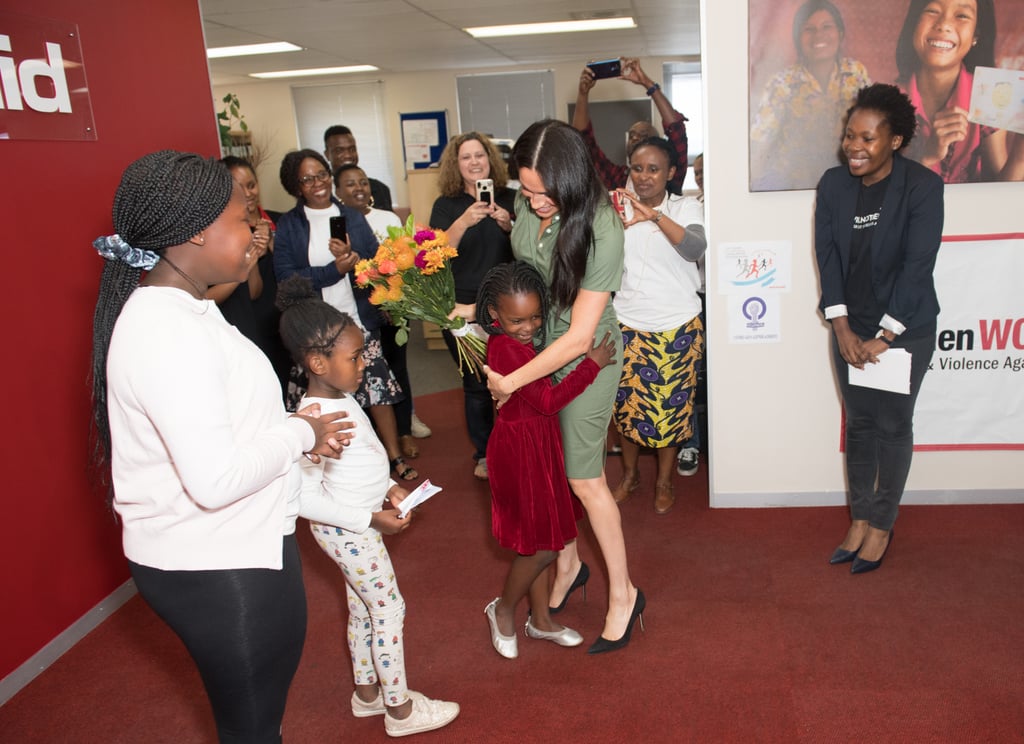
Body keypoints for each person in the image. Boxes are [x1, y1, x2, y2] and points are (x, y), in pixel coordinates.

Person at [89, 150, 349, 743]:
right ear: (197, 232)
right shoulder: (167, 331)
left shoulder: (187, 308)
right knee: (252, 728)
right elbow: (214, 479)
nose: (256, 231)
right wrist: (300, 432)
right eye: (243, 220)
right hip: (218, 560)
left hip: (235, 546)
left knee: (259, 721)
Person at [454, 119, 643, 654]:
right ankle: (570, 564)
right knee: (552, 470)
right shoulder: (529, 203)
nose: (532, 201)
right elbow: (527, 278)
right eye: (526, 189)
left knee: (584, 479)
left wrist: (511, 379)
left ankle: (624, 595)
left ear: (570, 180)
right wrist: (475, 310)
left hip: (586, 356)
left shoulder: (603, 225)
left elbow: (580, 334)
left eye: (543, 192)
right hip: (537, 345)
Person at [275, 276, 460, 737]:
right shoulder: (315, 419)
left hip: (357, 520)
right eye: (354, 358)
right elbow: (307, 497)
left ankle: (367, 694)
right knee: (389, 612)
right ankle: (400, 712)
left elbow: (357, 465)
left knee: (362, 609)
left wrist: (389, 489)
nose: (363, 363)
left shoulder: (338, 395)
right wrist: (370, 519)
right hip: (348, 530)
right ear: (318, 362)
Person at [815, 83, 943, 574]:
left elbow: (917, 267)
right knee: (860, 423)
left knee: (892, 426)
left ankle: (882, 523)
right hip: (850, 325)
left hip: (904, 329)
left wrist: (884, 338)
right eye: (850, 136)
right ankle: (859, 517)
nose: (855, 147)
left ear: (895, 140)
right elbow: (827, 258)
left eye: (868, 138)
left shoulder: (922, 187)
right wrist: (843, 329)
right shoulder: (833, 185)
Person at [475, 262, 615, 658]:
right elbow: (549, 401)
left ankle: (540, 620)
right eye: (517, 319)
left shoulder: (518, 343)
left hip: (538, 444)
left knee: (535, 542)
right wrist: (592, 365)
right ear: (494, 315)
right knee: (544, 548)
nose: (529, 326)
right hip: (519, 452)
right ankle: (502, 609)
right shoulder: (504, 347)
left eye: (536, 317)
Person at [274, 149, 418, 482]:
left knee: (376, 391)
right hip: (314, 329)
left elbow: (378, 264)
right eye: (307, 179)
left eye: (322, 175)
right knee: (321, 398)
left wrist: (353, 262)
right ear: (296, 186)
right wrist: (331, 270)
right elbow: (286, 279)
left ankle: (393, 457)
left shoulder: (352, 217)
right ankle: (321, 465)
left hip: (358, 321)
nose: (318, 184)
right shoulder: (290, 224)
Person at [610, 137, 706, 515]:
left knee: (671, 411)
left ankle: (664, 480)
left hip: (677, 326)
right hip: (627, 324)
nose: (644, 177)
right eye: (637, 168)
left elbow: (695, 248)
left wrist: (654, 216)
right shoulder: (614, 210)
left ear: (670, 173)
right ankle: (631, 474)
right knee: (626, 409)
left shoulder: (686, 206)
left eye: (653, 169)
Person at [429, 132, 515, 480]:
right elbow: (434, 254)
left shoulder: (510, 196)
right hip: (459, 305)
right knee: (476, 383)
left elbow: (528, 245)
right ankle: (484, 452)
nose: (475, 162)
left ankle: (512, 445)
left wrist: (507, 223)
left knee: (512, 376)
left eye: (480, 155)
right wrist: (464, 220)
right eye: (466, 157)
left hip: (506, 301)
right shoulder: (446, 205)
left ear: (490, 159)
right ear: (456, 164)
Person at [334, 162, 426, 460]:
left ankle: (403, 431)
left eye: (363, 182)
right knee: (361, 376)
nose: (358, 188)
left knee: (397, 370)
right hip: (358, 313)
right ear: (337, 191)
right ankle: (371, 439)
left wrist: (397, 300)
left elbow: (405, 260)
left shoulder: (387, 218)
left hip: (392, 308)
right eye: (350, 184)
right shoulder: (336, 224)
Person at [895, 0, 1024, 183]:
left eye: (962, 15)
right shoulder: (885, 103)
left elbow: (997, 189)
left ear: (975, 35)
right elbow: (882, 199)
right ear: (914, 24)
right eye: (932, 11)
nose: (944, 25)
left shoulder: (991, 94)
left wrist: (1020, 154)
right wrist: (927, 156)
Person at [750, 0, 871, 190]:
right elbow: (760, 142)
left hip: (849, 183)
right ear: (797, 38)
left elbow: (871, 129)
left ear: (840, 34)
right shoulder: (781, 83)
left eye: (826, 27)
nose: (818, 36)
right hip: (792, 186)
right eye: (809, 29)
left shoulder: (856, 73)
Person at [207, 156, 291, 399]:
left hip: (274, 325)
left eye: (251, 185)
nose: (248, 193)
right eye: (239, 186)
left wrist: (257, 252)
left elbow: (255, 289)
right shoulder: (216, 235)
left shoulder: (275, 222)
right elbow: (203, 298)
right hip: (235, 331)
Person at [572, 57, 689, 193]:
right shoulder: (619, 179)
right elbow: (583, 140)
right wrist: (582, 93)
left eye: (643, 136)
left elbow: (676, 129)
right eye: (632, 135)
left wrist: (647, 83)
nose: (635, 139)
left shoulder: (670, 176)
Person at [677, 152, 706, 478]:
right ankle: (691, 443)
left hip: (724, 299)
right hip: (693, 297)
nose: (699, 176)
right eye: (696, 172)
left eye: (704, 171)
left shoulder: (725, 205)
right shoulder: (689, 207)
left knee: (712, 378)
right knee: (691, 377)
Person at [324, 125, 394, 211]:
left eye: (352, 149)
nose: (348, 155)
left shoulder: (379, 189)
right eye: (339, 150)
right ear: (327, 154)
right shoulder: (322, 192)